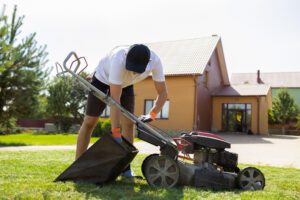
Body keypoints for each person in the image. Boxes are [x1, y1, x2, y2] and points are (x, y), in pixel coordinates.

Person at [76, 44, 168, 177]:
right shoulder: (118, 58)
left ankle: (125, 169)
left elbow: (163, 93)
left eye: (138, 70)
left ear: (147, 63)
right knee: (90, 121)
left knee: (129, 123)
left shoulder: (155, 61)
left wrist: (152, 114)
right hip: (102, 80)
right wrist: (115, 133)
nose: (135, 73)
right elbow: (115, 101)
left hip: (126, 85)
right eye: (132, 68)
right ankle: (78, 165)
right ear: (126, 57)